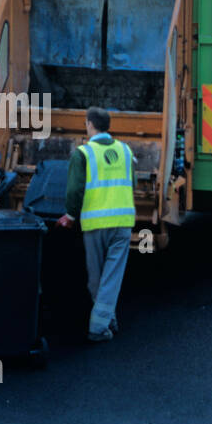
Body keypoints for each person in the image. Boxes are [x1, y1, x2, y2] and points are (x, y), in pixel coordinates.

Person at [57, 106, 135, 342]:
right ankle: (107, 318)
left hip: (95, 225)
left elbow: (74, 190)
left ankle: (98, 328)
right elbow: (133, 181)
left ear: (89, 124)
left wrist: (70, 216)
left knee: (96, 278)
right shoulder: (125, 150)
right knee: (111, 277)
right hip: (122, 223)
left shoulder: (83, 154)